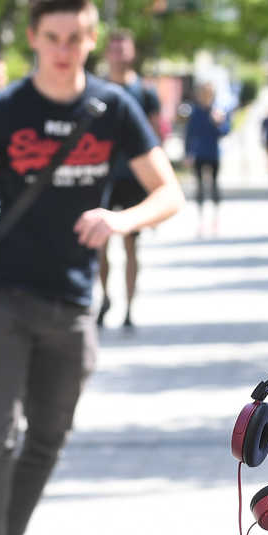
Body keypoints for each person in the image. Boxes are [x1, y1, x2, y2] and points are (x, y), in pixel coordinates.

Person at [0, 0, 183, 535]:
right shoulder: (4, 111)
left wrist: (120, 220)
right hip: (3, 300)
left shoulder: (112, 108)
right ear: (33, 39)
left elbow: (169, 193)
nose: (66, 49)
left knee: (46, 439)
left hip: (73, 305)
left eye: (76, 37)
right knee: (0, 434)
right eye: (53, 38)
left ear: (92, 37)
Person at [98, 28, 163, 329]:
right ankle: (104, 299)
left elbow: (155, 137)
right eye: (114, 49)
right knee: (99, 244)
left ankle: (129, 308)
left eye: (123, 48)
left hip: (134, 179)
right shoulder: (96, 89)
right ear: (107, 53)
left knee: (130, 246)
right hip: (103, 176)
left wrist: (158, 188)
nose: (118, 54)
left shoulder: (146, 93)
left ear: (132, 52)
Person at [182, 80, 230, 237]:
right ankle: (201, 221)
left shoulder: (217, 111)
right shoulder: (195, 112)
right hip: (199, 154)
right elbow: (189, 134)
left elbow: (224, 132)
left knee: (214, 185)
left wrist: (219, 123)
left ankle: (216, 220)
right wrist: (188, 153)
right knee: (200, 187)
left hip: (213, 153)